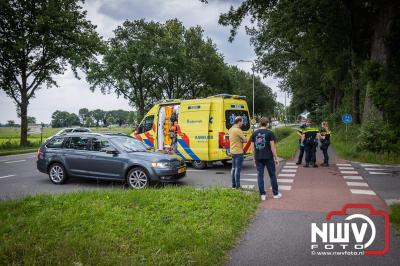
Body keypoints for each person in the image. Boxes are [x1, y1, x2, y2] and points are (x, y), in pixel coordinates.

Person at [251, 117, 281, 201]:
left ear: (260, 123)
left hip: (258, 158)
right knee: (272, 175)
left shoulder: (254, 133)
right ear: (267, 123)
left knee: (260, 176)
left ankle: (262, 195)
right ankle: (275, 194)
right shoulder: (270, 133)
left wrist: (253, 160)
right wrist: (276, 158)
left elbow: (252, 149)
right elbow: (273, 148)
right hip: (268, 157)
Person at [229, 116, 247, 189]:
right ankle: (238, 186)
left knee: (233, 168)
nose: (242, 123)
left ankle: (233, 185)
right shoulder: (238, 130)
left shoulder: (230, 129)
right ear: (239, 122)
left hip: (232, 151)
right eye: (242, 121)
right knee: (237, 169)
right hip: (238, 152)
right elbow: (245, 140)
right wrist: (241, 140)